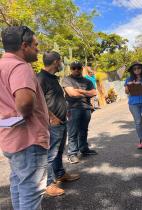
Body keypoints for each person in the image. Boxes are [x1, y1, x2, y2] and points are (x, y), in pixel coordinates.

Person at [0, 26, 49, 210]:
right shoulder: (21, 66)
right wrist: (22, 113)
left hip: (9, 138)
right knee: (31, 191)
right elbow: (25, 103)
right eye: (35, 45)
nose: (38, 49)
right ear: (24, 45)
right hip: (28, 139)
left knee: (18, 185)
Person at [37, 52, 80, 197]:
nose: (62, 64)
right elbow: (38, 101)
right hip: (53, 124)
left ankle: (60, 174)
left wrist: (64, 111)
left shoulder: (53, 78)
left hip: (61, 121)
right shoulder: (41, 78)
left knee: (59, 152)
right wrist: (51, 117)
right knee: (50, 154)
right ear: (56, 62)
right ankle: (49, 184)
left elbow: (54, 98)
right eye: (60, 61)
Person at [62, 61, 98, 164]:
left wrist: (81, 91)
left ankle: (84, 149)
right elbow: (72, 94)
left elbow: (94, 92)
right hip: (73, 108)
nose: (76, 70)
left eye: (78, 68)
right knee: (73, 132)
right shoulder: (67, 79)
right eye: (74, 68)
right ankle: (72, 153)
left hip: (86, 108)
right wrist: (87, 93)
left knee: (84, 130)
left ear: (82, 69)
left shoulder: (87, 81)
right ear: (71, 69)